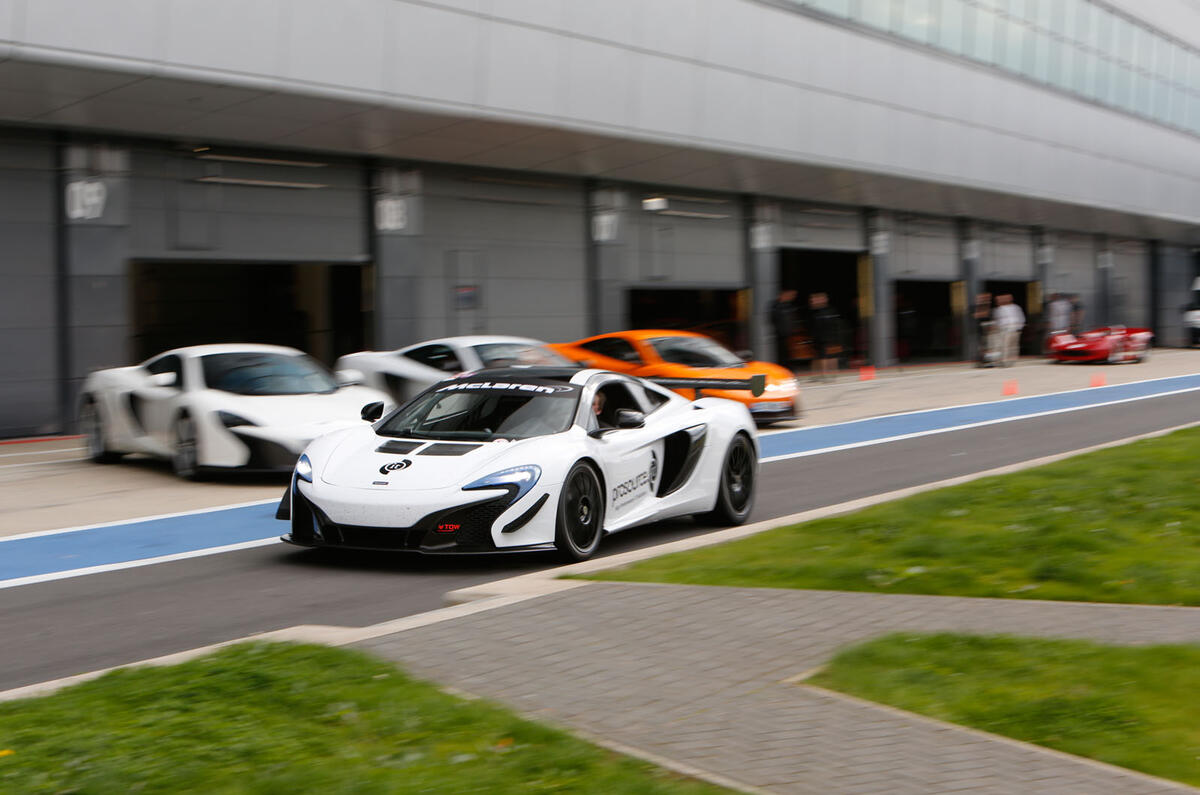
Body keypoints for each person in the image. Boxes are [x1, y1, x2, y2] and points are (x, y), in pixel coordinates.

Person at [808, 292, 842, 381]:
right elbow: (813, 327)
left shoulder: (829, 311)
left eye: (816, 300)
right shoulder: (814, 312)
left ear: (824, 300)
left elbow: (834, 324)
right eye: (813, 300)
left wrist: (835, 337)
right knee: (818, 357)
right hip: (819, 338)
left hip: (828, 337)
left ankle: (828, 375)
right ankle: (818, 375)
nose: (813, 302)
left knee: (828, 357)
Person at [769, 288, 799, 369]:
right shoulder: (775, 306)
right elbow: (772, 319)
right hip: (780, 335)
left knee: (789, 354)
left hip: (789, 335)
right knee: (781, 355)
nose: (792, 297)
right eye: (791, 295)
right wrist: (780, 330)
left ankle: (789, 369)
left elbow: (793, 319)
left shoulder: (789, 306)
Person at [992, 293, 1025, 367]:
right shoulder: (998, 309)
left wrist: (1020, 327)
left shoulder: (1016, 307)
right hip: (1004, 330)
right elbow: (997, 320)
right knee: (1005, 346)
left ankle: (1012, 360)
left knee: (1014, 346)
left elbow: (1021, 317)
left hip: (1015, 329)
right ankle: (1004, 361)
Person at [974, 291, 995, 366]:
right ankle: (981, 361)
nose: (987, 299)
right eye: (985, 297)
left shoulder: (988, 306)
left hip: (988, 330)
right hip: (981, 330)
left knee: (988, 346)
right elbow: (976, 315)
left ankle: (988, 361)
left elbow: (991, 317)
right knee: (982, 347)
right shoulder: (979, 306)